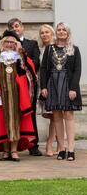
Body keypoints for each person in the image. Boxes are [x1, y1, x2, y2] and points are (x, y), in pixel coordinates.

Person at [0, 30, 37, 162]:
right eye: (7, 42)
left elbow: (30, 72)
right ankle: (6, 150)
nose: (9, 44)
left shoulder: (21, 56)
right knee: (3, 123)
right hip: (1, 95)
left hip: (17, 95)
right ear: (2, 43)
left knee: (16, 122)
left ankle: (14, 150)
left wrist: (20, 52)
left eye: (12, 42)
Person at [40, 22, 82, 161]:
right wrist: (44, 87)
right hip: (53, 84)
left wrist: (73, 88)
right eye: (59, 29)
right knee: (57, 116)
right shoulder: (50, 49)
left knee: (68, 116)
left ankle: (70, 149)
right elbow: (44, 69)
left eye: (64, 30)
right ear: (56, 32)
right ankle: (61, 149)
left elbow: (77, 71)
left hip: (68, 85)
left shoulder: (74, 49)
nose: (61, 32)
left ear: (68, 32)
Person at [8, 18, 42, 156]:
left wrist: (22, 56)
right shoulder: (7, 44)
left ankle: (33, 145)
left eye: (17, 26)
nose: (15, 29)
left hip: (28, 86)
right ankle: (12, 145)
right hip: (11, 84)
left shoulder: (31, 44)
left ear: (22, 27)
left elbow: (36, 62)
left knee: (30, 114)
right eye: (11, 27)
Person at [37, 24, 58, 157]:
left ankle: (51, 144)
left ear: (52, 34)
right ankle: (56, 144)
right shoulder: (39, 49)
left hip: (55, 84)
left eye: (47, 32)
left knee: (56, 115)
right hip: (42, 84)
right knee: (51, 115)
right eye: (42, 33)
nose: (44, 35)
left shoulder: (56, 48)